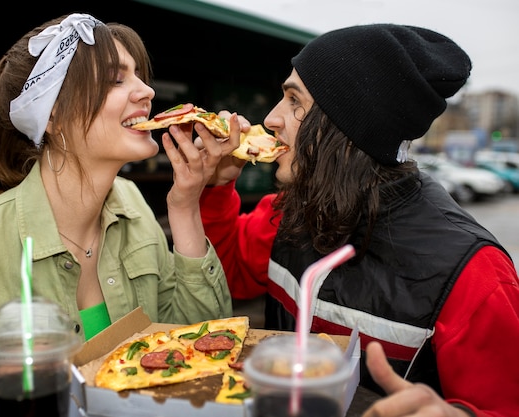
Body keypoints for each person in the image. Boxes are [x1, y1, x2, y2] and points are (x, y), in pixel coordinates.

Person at [0, 13, 239, 417]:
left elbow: (200, 349)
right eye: (116, 79)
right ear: (52, 116)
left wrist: (185, 206)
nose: (146, 90)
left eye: (140, 76)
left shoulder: (135, 209)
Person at [199, 24, 519, 416]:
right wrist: (217, 189)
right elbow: (231, 272)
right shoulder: (290, 208)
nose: (270, 119)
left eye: (294, 101)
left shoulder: (475, 275)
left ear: (348, 128)